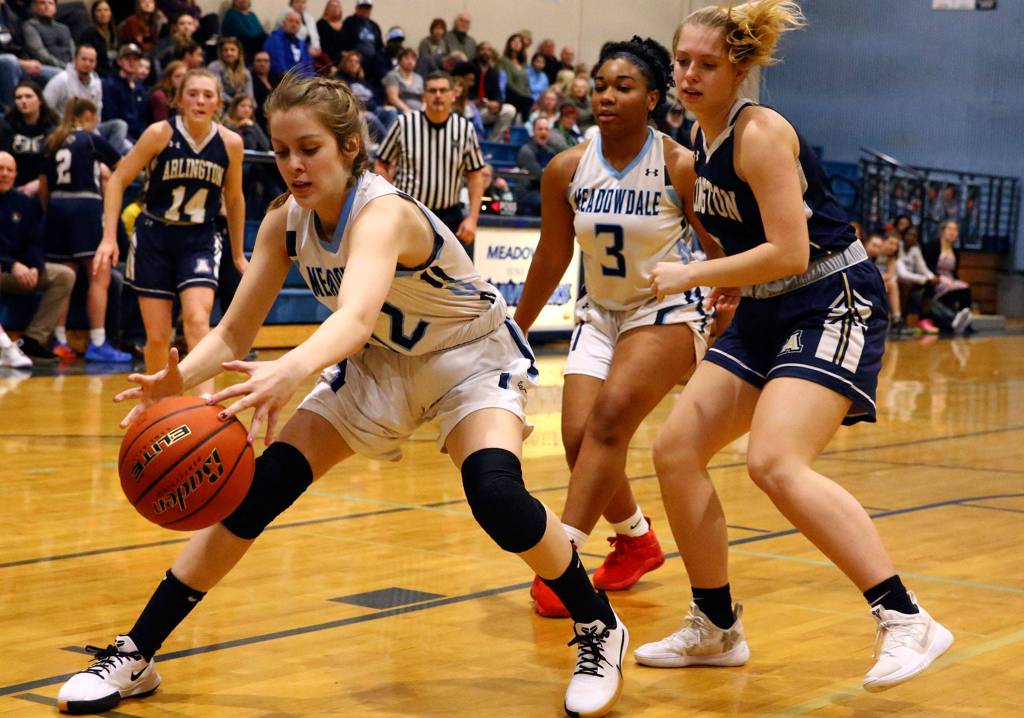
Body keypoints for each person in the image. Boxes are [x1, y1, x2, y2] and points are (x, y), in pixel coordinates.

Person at [55, 72, 627, 718]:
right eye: (284, 149)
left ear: (349, 147)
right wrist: (176, 381)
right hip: (380, 367)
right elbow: (236, 330)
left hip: (466, 357)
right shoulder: (285, 222)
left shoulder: (382, 213)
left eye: (311, 148)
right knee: (258, 490)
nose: (295, 165)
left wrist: (289, 371)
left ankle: (598, 626)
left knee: (494, 493)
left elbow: (353, 317)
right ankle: (137, 652)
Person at [632, 1, 953, 692]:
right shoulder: (701, 134)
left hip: (831, 299)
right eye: (682, 60)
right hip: (766, 309)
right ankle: (715, 627)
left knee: (775, 461)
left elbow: (791, 248)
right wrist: (729, 280)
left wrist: (695, 273)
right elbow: (757, 248)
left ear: (739, 69)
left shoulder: (762, 133)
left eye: (706, 64)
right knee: (675, 450)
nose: (688, 74)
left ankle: (905, 617)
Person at [513, 36, 720, 618]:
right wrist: (516, 328)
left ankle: (564, 561)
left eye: (622, 87)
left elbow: (719, 249)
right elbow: (552, 256)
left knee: (606, 426)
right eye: (600, 85)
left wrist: (730, 316)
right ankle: (635, 539)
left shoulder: (680, 166)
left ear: (653, 98)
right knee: (581, 441)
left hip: (667, 309)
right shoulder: (567, 168)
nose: (605, 95)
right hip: (599, 314)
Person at [94, 68, 247, 380]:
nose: (200, 101)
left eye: (208, 95)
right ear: (178, 100)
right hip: (155, 237)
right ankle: (158, 402)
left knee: (197, 319)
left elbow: (234, 199)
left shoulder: (231, 143)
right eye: (193, 94)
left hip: (200, 237)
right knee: (158, 336)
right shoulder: (159, 134)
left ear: (218, 103)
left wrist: (238, 254)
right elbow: (117, 181)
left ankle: (205, 405)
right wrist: (109, 238)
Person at [38, 97, 132, 362]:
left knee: (65, 277)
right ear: (89, 115)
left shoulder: (53, 140)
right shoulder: (90, 139)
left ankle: (58, 339)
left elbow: (43, 185)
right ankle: (99, 342)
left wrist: (50, 209)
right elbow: (123, 168)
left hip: (56, 207)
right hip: (85, 207)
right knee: (98, 276)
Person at [375, 71, 484, 249]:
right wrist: (389, 201)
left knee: (450, 277)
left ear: (453, 95)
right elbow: (381, 163)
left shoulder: (465, 129)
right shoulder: (404, 124)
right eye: (432, 91)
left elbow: (475, 176)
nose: (438, 95)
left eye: (443, 90)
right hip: (410, 212)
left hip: (450, 217)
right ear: (424, 95)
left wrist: (472, 218)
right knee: (403, 275)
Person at [0, 149, 75, 363]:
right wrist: (13, 265)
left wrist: (35, 267)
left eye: (9, 170)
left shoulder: (25, 203)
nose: (4, 174)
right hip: (6, 269)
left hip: (21, 272)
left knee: (64, 275)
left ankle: (32, 340)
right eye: (0, 169)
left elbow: (34, 241)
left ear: (15, 175)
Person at [0, 79, 57, 195]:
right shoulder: (5, 127)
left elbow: (56, 163)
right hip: (10, 189)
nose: (23, 101)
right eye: (19, 97)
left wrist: (39, 184)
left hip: (44, 187)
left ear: (40, 100)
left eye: (28, 96)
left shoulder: (54, 129)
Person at [0, 0, 62, 106]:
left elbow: (19, 45)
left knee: (60, 75)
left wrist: (28, 62)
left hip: (19, 63)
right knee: (9, 61)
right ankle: (12, 112)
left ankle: (45, 116)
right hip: (7, 63)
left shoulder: (10, 16)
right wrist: (22, 63)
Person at [931, 219, 972, 334]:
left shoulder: (955, 251)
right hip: (936, 277)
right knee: (950, 286)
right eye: (950, 229)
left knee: (964, 287)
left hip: (950, 278)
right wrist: (940, 277)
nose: (952, 232)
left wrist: (955, 281)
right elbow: (928, 265)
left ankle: (964, 315)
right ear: (943, 231)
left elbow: (954, 271)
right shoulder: (933, 245)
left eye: (955, 230)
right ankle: (951, 318)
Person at [101, 42, 147, 143]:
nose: (132, 62)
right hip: (118, 136)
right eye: (127, 59)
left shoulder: (141, 89)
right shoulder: (110, 85)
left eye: (135, 59)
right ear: (119, 61)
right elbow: (111, 117)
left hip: (138, 137)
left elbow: (143, 118)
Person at [22, 0, 74, 73]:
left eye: (51, 3)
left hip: (69, 68)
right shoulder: (30, 26)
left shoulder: (64, 28)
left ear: (55, 8)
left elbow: (73, 51)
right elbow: (39, 52)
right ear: (34, 7)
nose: (47, 6)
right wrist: (64, 67)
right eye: (42, 3)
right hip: (46, 67)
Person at [263, 11, 312, 78]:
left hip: (302, 83)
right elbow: (279, 68)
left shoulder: (302, 44)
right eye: (291, 21)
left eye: (297, 22)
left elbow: (309, 67)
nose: (294, 25)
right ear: (283, 23)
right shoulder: (274, 40)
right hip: (283, 82)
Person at [76, 0, 119, 76]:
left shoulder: (114, 32)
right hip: (96, 73)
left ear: (110, 13)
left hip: (113, 71)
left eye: (106, 10)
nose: (103, 14)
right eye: (99, 10)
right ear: (94, 14)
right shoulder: (89, 32)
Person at [207, 36, 252, 104]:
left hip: (241, 108)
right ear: (221, 53)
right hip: (221, 106)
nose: (229, 53)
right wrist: (235, 104)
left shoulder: (246, 72)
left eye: (232, 50)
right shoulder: (214, 67)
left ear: (239, 53)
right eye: (225, 50)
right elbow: (218, 92)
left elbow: (249, 95)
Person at [499, 32, 532, 121]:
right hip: (511, 93)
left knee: (530, 100)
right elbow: (508, 82)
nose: (517, 43)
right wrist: (522, 94)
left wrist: (528, 94)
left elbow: (526, 83)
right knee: (526, 101)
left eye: (519, 42)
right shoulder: (504, 61)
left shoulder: (523, 64)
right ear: (509, 44)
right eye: (514, 41)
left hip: (523, 95)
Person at [220, 0, 265, 65]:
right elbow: (245, 34)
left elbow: (261, 32)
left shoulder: (252, 15)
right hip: (243, 49)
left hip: (256, 47)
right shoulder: (232, 14)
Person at [381, 47, 421, 114]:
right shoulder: (393, 75)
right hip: (401, 111)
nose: (410, 61)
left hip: (418, 112)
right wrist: (409, 111)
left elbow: (424, 99)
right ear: (399, 60)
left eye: (413, 59)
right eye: (407, 58)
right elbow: (393, 98)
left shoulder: (419, 78)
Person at [315, 0, 344, 69]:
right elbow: (323, 46)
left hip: (343, 62)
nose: (334, 9)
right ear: (326, 9)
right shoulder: (321, 24)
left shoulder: (345, 25)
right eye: (332, 6)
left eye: (337, 7)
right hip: (326, 61)